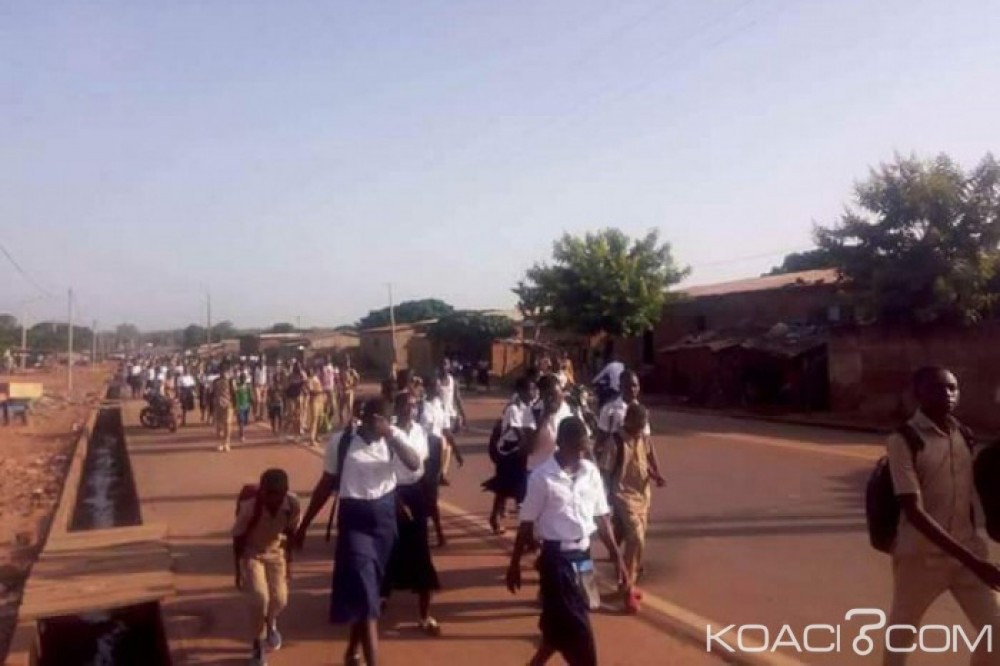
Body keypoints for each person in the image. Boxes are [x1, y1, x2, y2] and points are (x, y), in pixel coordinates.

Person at [883, 366, 1000, 665]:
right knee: (900, 639)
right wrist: (975, 561)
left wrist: (976, 553)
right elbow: (914, 511)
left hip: (967, 557)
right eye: (938, 388)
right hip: (921, 560)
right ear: (917, 393)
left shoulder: (964, 435)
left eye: (953, 388)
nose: (947, 395)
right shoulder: (904, 440)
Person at [294, 398, 421, 666]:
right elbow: (326, 484)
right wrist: (304, 525)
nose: (380, 425)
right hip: (354, 525)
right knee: (367, 598)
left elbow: (413, 464)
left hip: (384, 525)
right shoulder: (341, 442)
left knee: (370, 594)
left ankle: (352, 652)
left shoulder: (392, 439)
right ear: (365, 418)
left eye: (386, 421)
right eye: (377, 420)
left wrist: (390, 434)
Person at [506, 417, 626, 666]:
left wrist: (618, 558)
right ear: (560, 443)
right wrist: (514, 564)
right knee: (579, 627)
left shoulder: (590, 472)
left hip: (583, 557)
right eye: (576, 447)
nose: (581, 453)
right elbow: (526, 524)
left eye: (584, 447)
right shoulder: (542, 478)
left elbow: (602, 517)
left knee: (577, 613)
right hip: (556, 560)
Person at [382, 391, 442, 635]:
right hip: (391, 493)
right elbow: (384, 468)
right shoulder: (388, 434)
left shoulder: (420, 432)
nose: (411, 409)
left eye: (414, 405)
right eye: (406, 405)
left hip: (415, 494)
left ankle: (424, 616)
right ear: (397, 407)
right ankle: (381, 595)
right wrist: (394, 497)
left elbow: (421, 464)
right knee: (388, 547)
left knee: (420, 550)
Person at [232, 468, 300, 666]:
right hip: (252, 553)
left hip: (276, 552)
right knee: (259, 597)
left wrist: (290, 564)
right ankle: (257, 644)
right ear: (262, 491)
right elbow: (238, 538)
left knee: (280, 599)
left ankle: (271, 624)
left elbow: (291, 534)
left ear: (285, 492)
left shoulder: (293, 505)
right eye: (267, 493)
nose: (272, 499)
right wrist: (239, 571)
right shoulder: (250, 507)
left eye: (277, 495)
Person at [610, 403, 663, 614]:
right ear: (628, 421)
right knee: (635, 538)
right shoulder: (615, 443)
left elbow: (644, 460)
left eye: (644, 425)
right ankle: (628, 589)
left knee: (636, 541)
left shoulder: (643, 438)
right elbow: (605, 472)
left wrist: (655, 474)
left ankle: (626, 579)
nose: (642, 428)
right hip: (622, 496)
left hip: (643, 495)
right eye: (639, 424)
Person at [483, 376, 536, 535]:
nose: (533, 392)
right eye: (530, 389)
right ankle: (517, 526)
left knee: (513, 487)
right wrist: (530, 445)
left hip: (520, 453)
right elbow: (518, 431)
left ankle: (498, 517)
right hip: (508, 453)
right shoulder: (513, 408)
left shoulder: (530, 407)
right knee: (505, 487)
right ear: (520, 391)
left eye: (534, 389)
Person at [420, 377, 451, 547]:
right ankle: (437, 532)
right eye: (435, 386)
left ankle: (434, 531)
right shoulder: (421, 406)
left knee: (432, 492)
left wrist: (457, 451)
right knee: (427, 493)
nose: (438, 389)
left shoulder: (440, 405)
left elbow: (445, 429)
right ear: (428, 388)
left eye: (439, 387)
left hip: (436, 450)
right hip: (423, 451)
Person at [528, 374, 577, 473]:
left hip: (562, 473)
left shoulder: (570, 411)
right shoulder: (533, 413)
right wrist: (544, 418)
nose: (556, 400)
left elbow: (581, 442)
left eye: (559, 394)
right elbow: (529, 448)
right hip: (537, 472)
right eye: (550, 396)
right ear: (543, 396)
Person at [437, 364, 466, 485]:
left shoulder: (452, 381)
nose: (444, 367)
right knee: (440, 446)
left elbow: (457, 398)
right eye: (442, 364)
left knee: (448, 447)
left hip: (450, 417)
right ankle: (436, 472)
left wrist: (463, 415)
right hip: (437, 416)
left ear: (448, 367)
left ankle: (442, 474)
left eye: (446, 364)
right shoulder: (436, 381)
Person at [214, 365, 237, 452]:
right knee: (219, 426)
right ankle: (220, 443)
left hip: (228, 405)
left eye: (226, 371)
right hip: (218, 405)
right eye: (222, 371)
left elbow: (234, 393)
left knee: (227, 424)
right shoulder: (216, 381)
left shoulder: (231, 381)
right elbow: (212, 394)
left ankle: (227, 443)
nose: (224, 373)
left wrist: (235, 405)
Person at [306, 367, 325, 447]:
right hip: (314, 401)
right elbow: (310, 390)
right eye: (309, 371)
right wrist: (319, 391)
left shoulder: (316, 378)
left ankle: (317, 435)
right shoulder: (309, 380)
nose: (311, 372)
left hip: (320, 400)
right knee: (314, 419)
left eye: (311, 370)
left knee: (320, 419)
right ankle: (311, 439)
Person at [338, 358, 361, 426]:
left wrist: (354, 385)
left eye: (348, 363)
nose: (347, 365)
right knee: (341, 408)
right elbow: (339, 380)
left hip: (349, 390)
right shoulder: (341, 371)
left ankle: (350, 422)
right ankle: (341, 422)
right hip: (343, 391)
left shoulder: (352, 371)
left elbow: (357, 377)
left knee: (349, 407)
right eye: (346, 363)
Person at [235, 374, 253, 444]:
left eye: (244, 378)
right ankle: (241, 435)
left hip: (246, 406)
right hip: (240, 406)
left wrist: (250, 403)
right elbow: (236, 396)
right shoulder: (237, 387)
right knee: (241, 422)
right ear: (240, 379)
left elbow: (250, 395)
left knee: (245, 422)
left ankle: (241, 432)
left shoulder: (248, 387)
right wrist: (236, 406)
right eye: (242, 378)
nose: (243, 380)